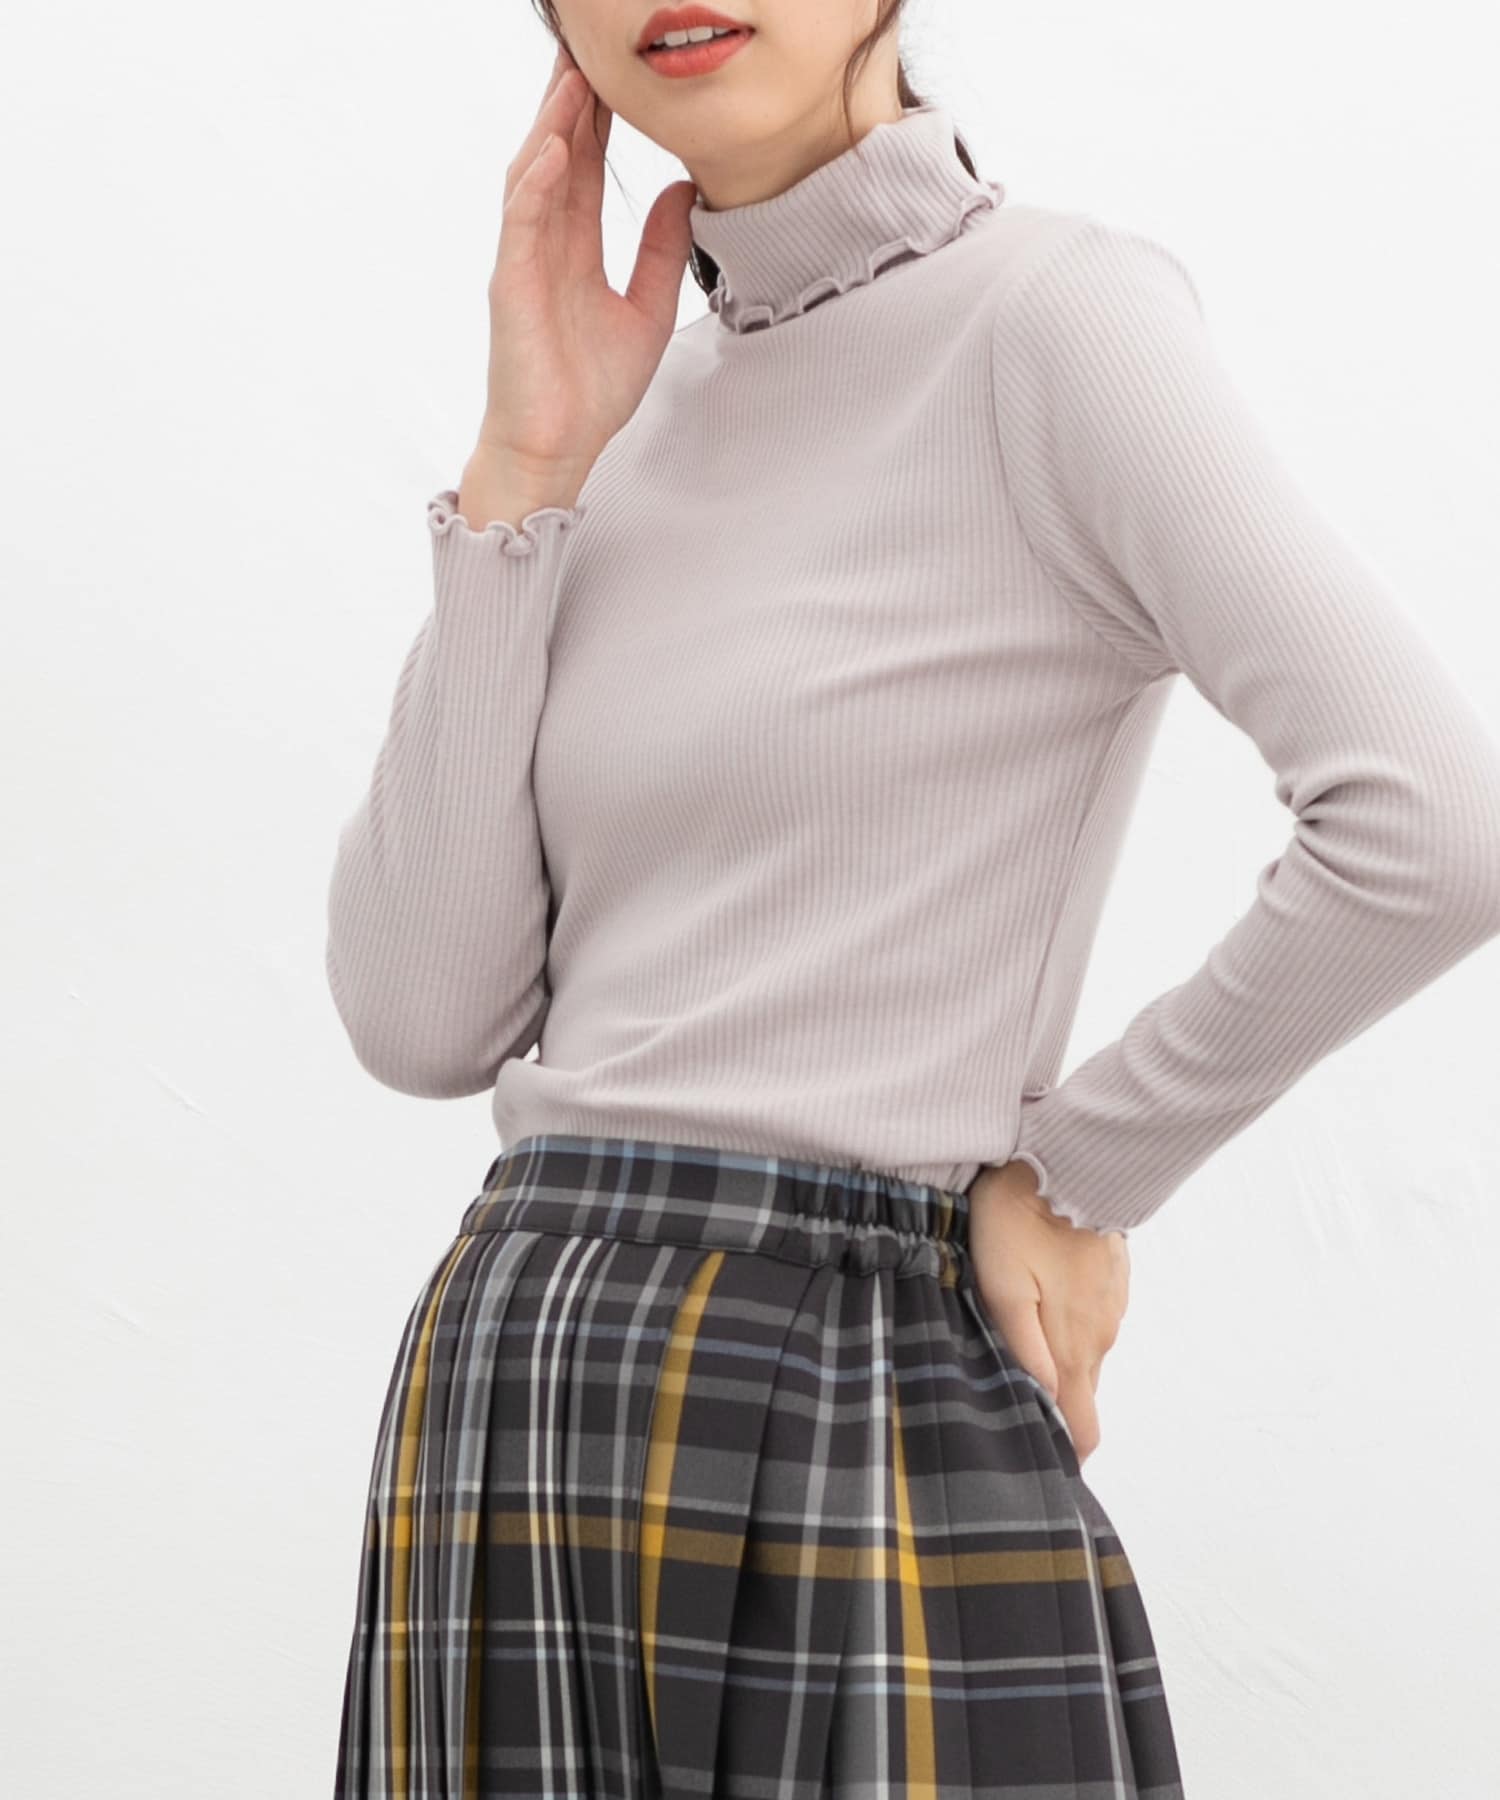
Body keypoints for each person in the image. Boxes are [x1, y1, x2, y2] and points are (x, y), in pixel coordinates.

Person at [324, 6, 1500, 1797]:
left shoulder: (1055, 321)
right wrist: (524, 472)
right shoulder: (620, 409)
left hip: (843, 1367)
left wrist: (1083, 1166)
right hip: (524, 1368)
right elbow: (418, 1018)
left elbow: (1433, 818)